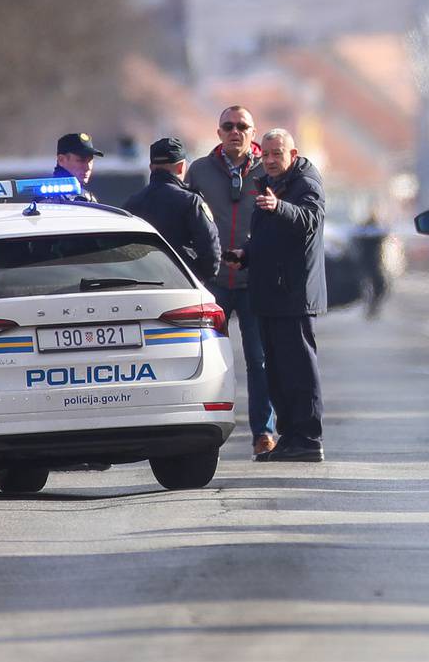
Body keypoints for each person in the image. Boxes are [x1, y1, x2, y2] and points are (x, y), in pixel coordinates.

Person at [228, 128, 328, 462]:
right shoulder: (272, 185)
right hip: (270, 294)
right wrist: (246, 254)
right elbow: (269, 238)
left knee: (299, 369)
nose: (269, 160)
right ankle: (290, 437)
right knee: (277, 372)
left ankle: (308, 439)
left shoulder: (305, 184)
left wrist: (279, 206)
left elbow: (308, 221)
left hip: (293, 296)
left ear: (293, 154)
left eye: (277, 154)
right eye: (266, 154)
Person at [188, 106, 275, 456]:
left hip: (254, 281)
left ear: (253, 132)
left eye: (242, 126)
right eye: (228, 126)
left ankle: (263, 433)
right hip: (214, 281)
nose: (235, 132)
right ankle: (202, 434)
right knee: (207, 358)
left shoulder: (267, 169)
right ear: (218, 132)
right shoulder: (200, 171)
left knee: (259, 360)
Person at [122, 137, 221, 284]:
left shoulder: (132, 203)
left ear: (151, 167)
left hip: (142, 284)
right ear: (181, 167)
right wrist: (196, 278)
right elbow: (211, 252)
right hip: (182, 285)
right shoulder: (190, 201)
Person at [52, 132, 104, 202]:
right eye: (81, 160)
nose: (88, 167)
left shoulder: (87, 197)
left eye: (90, 161)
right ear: (61, 160)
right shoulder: (49, 198)